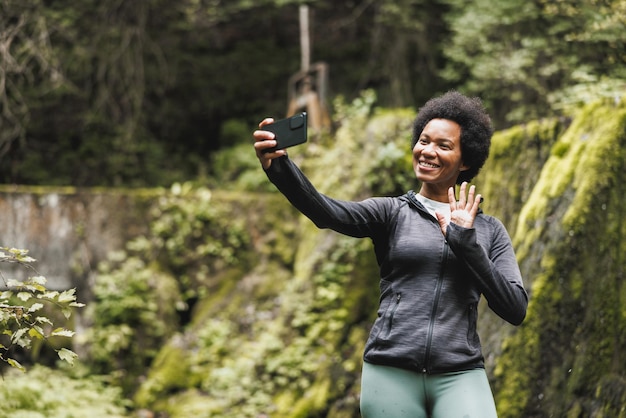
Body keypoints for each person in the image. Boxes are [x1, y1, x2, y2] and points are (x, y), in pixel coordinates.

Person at [253, 90, 528, 417]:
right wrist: (280, 168)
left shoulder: (490, 231)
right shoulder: (391, 212)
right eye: (424, 141)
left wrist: (467, 244)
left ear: (466, 160)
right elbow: (327, 213)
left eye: (444, 146)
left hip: (460, 373)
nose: (428, 151)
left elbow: (515, 308)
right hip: (390, 369)